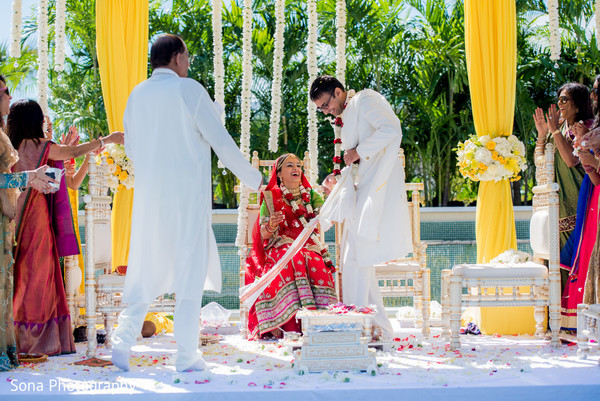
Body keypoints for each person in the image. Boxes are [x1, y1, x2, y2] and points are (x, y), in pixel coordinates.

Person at [111, 34, 261, 372]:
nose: (188, 63)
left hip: (150, 200)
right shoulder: (188, 89)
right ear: (178, 57)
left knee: (145, 271)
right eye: (188, 57)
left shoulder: (136, 95)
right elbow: (221, 142)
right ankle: (186, 355)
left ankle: (122, 341)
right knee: (189, 274)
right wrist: (256, 180)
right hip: (186, 199)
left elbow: (132, 151)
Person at [7, 99, 123, 356]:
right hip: (35, 220)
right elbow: (68, 153)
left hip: (15, 221)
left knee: (24, 280)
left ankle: (18, 338)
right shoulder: (39, 146)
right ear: (33, 121)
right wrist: (109, 139)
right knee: (38, 279)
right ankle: (34, 341)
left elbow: (70, 181)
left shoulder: (14, 147)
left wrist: (86, 156)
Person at [309, 76, 413, 340]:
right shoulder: (348, 115)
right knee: (354, 258)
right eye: (321, 109)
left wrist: (357, 152)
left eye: (325, 104)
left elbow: (392, 129)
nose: (326, 111)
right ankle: (373, 325)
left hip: (376, 187)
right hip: (359, 190)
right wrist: (339, 174)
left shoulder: (365, 99)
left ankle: (357, 326)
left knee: (356, 257)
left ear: (338, 92)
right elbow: (353, 159)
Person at [245, 154, 337, 339]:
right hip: (280, 247)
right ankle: (282, 324)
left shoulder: (312, 195)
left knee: (312, 260)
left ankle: (321, 322)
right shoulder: (270, 197)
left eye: (298, 165)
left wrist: (332, 194)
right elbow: (263, 234)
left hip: (310, 246)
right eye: (289, 165)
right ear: (279, 174)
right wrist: (271, 224)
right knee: (292, 258)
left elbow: (330, 219)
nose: (296, 168)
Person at [0, 77, 58, 370]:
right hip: (25, 218)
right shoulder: (36, 144)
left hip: (8, 217)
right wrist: (105, 142)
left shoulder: (6, 139)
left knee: (10, 281)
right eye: (4, 93)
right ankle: (26, 342)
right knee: (22, 280)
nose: (8, 98)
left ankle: (12, 345)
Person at [533, 83, 594, 297]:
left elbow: (570, 160)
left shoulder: (585, 128)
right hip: (558, 204)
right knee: (557, 258)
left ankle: (576, 309)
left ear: (578, 106)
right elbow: (540, 162)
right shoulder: (557, 129)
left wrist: (555, 131)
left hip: (579, 200)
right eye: (559, 98)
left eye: (565, 99)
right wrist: (542, 134)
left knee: (576, 256)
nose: (559, 103)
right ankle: (559, 312)